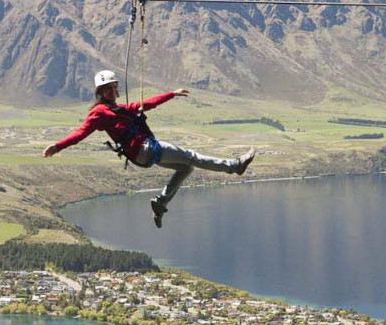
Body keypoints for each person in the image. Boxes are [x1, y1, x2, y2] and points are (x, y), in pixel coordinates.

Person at [43, 70, 256, 228]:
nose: (114, 90)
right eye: (109, 88)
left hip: (144, 153)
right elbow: (80, 133)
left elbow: (146, 104)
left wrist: (171, 94)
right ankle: (234, 166)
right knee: (191, 157)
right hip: (145, 149)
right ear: (100, 92)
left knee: (186, 168)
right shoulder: (99, 113)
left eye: (115, 87)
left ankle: (160, 203)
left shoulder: (117, 108)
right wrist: (58, 146)